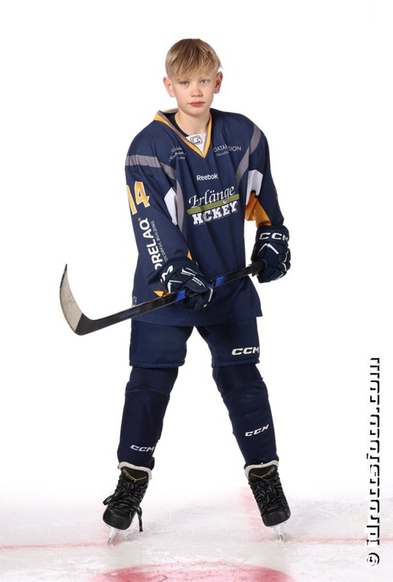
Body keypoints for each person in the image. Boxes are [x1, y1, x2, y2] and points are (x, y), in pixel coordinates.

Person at [102, 38, 291, 539]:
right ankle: (131, 480)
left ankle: (265, 477)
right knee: (149, 385)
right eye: (185, 82)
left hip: (226, 288)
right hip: (166, 293)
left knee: (244, 383)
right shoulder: (147, 148)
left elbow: (261, 197)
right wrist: (176, 268)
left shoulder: (243, 135)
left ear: (218, 81)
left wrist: (272, 236)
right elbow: (149, 220)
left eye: (204, 80)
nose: (196, 90)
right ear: (169, 86)